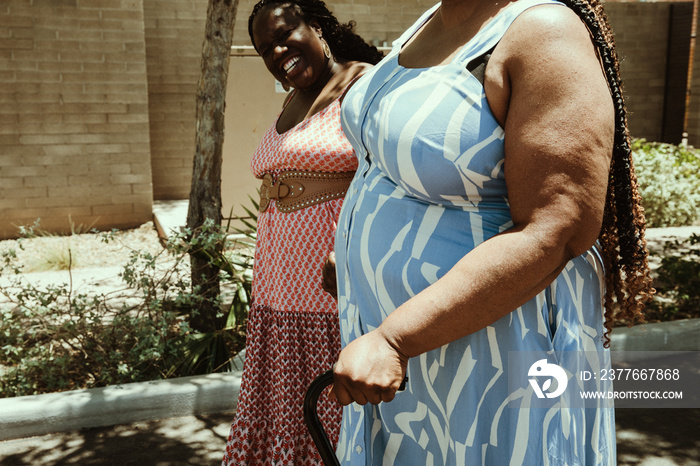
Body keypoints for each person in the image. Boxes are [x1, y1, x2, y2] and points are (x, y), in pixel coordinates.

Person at [327, 0, 655, 464]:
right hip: (408, 360)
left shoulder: (544, 31)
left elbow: (556, 229)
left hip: (491, 359)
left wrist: (394, 340)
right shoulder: (433, 21)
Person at [221, 1, 383, 465]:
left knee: (327, 414)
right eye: (264, 48)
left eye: (284, 34)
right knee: (286, 411)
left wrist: (352, 249)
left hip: (329, 296)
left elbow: (390, 177)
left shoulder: (365, 83)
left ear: (317, 26)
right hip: (276, 294)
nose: (276, 51)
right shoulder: (292, 100)